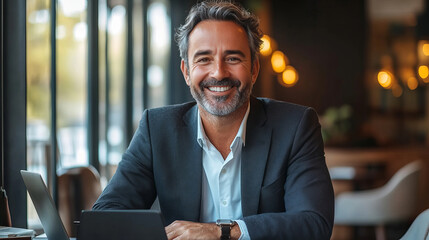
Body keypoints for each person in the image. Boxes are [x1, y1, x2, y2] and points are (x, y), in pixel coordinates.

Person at [93, 1, 334, 239]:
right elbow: (106, 216)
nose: (218, 73)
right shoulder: (156, 129)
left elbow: (313, 223)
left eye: (233, 58)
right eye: (204, 59)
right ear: (186, 72)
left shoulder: (296, 126)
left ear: (254, 70)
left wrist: (225, 231)